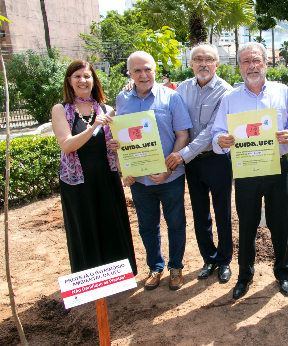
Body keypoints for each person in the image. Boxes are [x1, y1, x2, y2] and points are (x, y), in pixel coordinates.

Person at [211, 42, 288, 300]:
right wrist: (221, 140)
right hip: (246, 170)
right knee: (247, 223)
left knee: (280, 223)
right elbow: (217, 132)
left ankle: (283, 273)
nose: (251, 66)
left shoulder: (282, 92)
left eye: (256, 61)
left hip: (277, 169)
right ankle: (244, 275)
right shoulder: (230, 98)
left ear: (265, 63)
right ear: (239, 66)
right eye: (245, 62)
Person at [110, 51, 192, 291]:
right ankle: (155, 267)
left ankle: (176, 267)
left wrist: (169, 168)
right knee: (147, 226)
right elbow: (120, 137)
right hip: (139, 181)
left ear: (155, 70)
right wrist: (123, 166)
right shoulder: (122, 99)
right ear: (130, 73)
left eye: (147, 69)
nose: (143, 74)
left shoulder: (171, 98)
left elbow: (182, 135)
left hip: (170, 178)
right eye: (137, 70)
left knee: (176, 224)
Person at [52, 60, 137, 275]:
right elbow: (67, 144)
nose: (83, 80)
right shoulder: (61, 110)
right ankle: (90, 278)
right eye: (77, 76)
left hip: (106, 177)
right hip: (77, 182)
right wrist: (94, 127)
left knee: (111, 223)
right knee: (85, 227)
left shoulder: (106, 109)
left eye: (87, 76)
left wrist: (125, 170)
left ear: (94, 80)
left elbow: (115, 149)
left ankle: (117, 275)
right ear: (69, 81)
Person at [166, 44, 234, 282]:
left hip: (216, 160)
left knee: (222, 212)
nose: (203, 64)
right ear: (191, 64)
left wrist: (182, 154)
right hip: (191, 164)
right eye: (198, 59)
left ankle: (224, 260)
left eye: (209, 59)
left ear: (217, 64)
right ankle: (209, 258)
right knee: (200, 213)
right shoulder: (181, 90)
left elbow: (211, 131)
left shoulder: (226, 91)